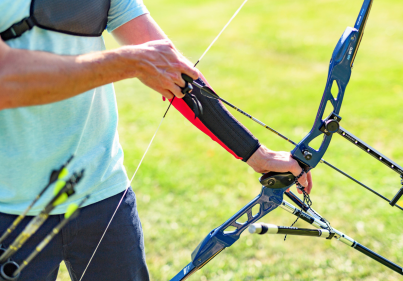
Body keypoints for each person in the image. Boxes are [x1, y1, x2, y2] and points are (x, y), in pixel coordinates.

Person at [0, 0, 312, 280]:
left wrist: (258, 155)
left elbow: (171, 69)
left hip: (103, 195)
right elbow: (5, 80)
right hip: (8, 207)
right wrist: (129, 62)